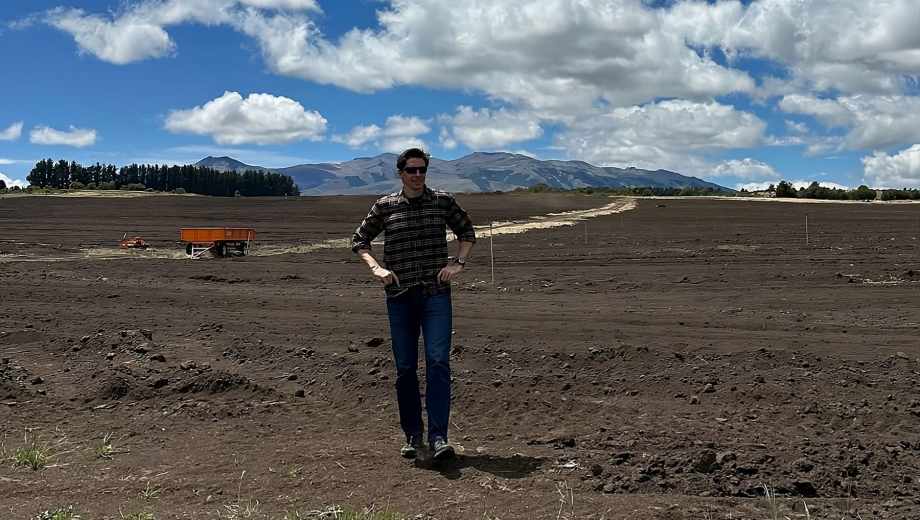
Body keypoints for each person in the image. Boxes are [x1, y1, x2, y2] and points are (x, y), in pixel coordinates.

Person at [352, 147, 476, 461]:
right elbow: (359, 240)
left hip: (436, 294)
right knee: (405, 368)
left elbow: (467, 232)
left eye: (422, 170)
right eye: (412, 170)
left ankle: (438, 438)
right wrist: (376, 268)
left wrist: (458, 263)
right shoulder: (386, 205)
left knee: (437, 362)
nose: (418, 175)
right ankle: (412, 435)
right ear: (401, 173)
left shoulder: (442, 201)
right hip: (400, 297)